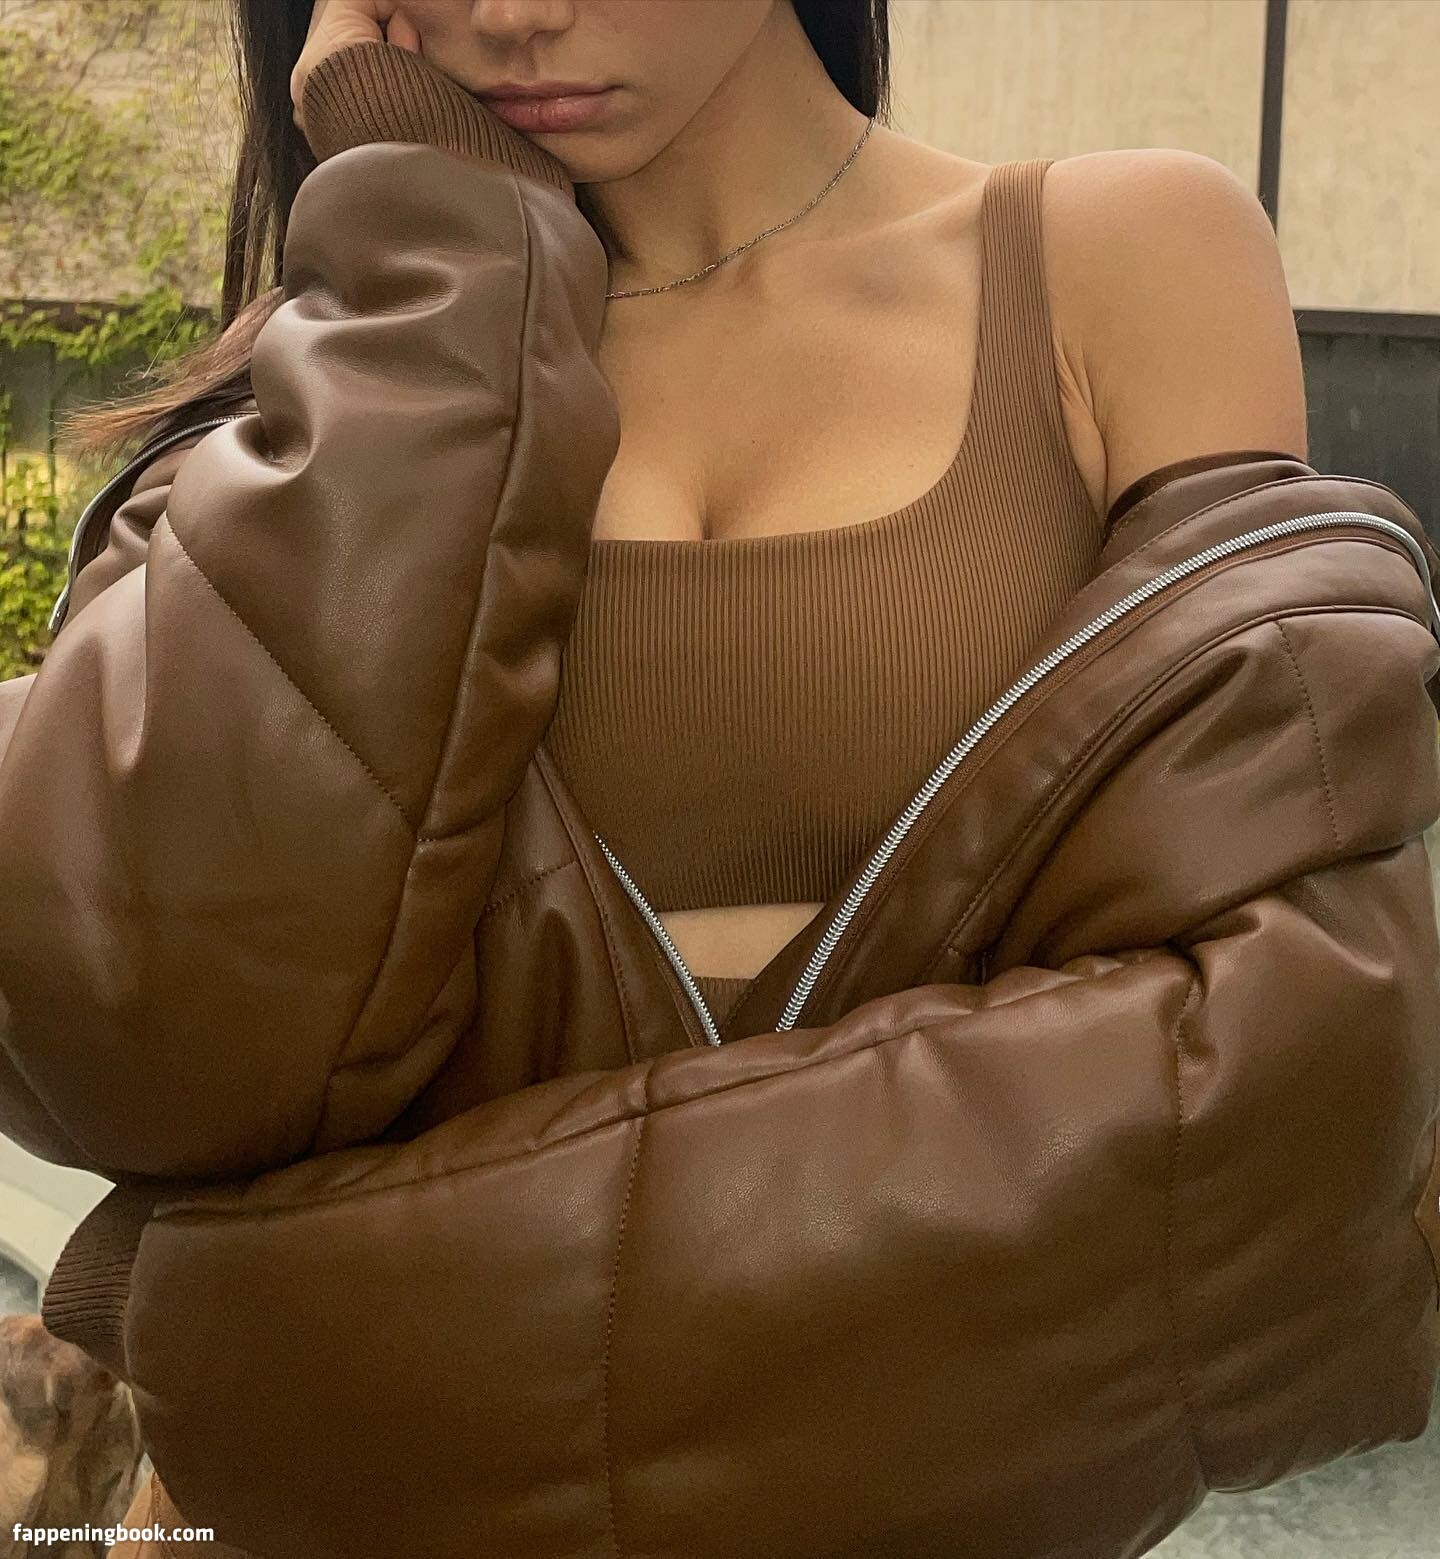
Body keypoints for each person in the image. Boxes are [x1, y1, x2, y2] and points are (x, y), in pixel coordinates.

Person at [3, 3, 1438, 1556]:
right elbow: (149, 1039)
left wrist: (283, 1341)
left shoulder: (1123, 260)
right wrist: (433, 284)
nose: (514, 13)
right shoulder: (318, 391)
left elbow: (1295, 1107)